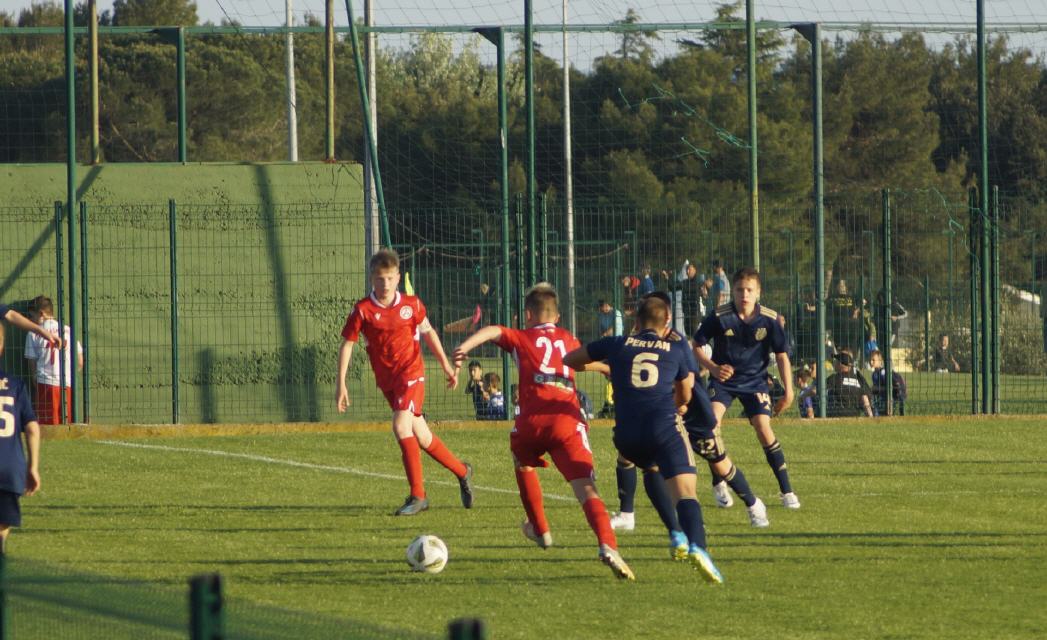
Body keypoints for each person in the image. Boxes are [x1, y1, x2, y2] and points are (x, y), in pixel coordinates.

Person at [452, 283, 635, 580]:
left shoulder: (522, 337)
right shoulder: (568, 337)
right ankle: (607, 544)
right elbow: (575, 362)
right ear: (557, 316)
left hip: (532, 421)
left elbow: (494, 330)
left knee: (522, 462)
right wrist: (603, 368)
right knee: (586, 488)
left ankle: (540, 528)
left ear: (528, 315)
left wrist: (465, 347)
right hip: (566, 420)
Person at [565, 296, 724, 583]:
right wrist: (677, 404)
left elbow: (570, 360)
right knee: (686, 491)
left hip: (627, 436)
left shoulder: (617, 343)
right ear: (666, 324)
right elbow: (686, 392)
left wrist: (606, 367)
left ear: (636, 322)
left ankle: (675, 534)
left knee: (650, 467)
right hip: (662, 427)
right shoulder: (675, 347)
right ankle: (698, 546)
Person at [336, 249, 474, 516]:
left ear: (398, 278)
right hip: (387, 381)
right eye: (379, 279)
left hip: (411, 373)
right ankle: (462, 471)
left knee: (401, 425)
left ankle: (418, 496)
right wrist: (341, 383)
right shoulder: (363, 310)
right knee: (421, 435)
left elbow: (429, 333)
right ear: (371, 279)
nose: (385, 284)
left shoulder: (412, 305)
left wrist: (446, 365)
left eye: (390, 278)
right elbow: (347, 345)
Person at [693, 267, 800, 509]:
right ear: (733, 291)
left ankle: (787, 491)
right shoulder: (720, 316)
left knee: (763, 427)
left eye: (750, 290)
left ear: (758, 292)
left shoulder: (770, 319)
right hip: (724, 381)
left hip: (755, 381)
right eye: (740, 290)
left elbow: (782, 355)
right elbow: (696, 345)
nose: (744, 295)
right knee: (711, 424)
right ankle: (719, 482)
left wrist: (789, 391)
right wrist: (713, 368)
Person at [0, 322, 42, 554]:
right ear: (2, 347)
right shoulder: (16, 385)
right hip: (9, 469)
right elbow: (33, 428)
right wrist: (32, 467)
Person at [23, 297, 82, 425]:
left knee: (47, 426)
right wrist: (70, 377)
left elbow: (31, 363)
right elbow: (80, 361)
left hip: (45, 382)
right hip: (67, 383)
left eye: (31, 316)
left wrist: (35, 380)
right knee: (66, 424)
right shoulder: (68, 330)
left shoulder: (33, 333)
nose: (30, 320)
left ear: (41, 314)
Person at [823, 350, 874, 417]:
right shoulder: (858, 378)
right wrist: (870, 417)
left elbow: (818, 389)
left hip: (836, 415)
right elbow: (865, 396)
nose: (834, 363)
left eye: (836, 361)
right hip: (855, 415)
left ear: (840, 364)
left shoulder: (835, 378)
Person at [869, 350, 906, 416]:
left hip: (890, 397)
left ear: (880, 361)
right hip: (882, 397)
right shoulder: (874, 374)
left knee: (877, 408)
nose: (871, 362)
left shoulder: (883, 372)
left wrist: (875, 389)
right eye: (870, 360)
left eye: (873, 360)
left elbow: (890, 385)